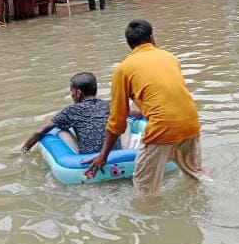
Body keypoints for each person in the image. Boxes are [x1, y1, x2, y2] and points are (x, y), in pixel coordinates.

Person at [84, 20, 210, 195]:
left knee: (144, 187)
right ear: (151, 38)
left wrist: (103, 156)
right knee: (195, 174)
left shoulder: (123, 69)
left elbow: (117, 119)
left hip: (162, 127)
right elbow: (167, 96)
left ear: (129, 44)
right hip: (191, 122)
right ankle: (213, 192)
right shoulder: (170, 57)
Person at [21, 72, 121, 154]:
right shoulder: (110, 105)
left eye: (71, 91)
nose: (71, 95)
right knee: (126, 122)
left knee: (60, 131)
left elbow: (39, 132)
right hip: (115, 156)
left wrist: (23, 151)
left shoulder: (72, 110)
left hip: (89, 158)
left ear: (78, 93)